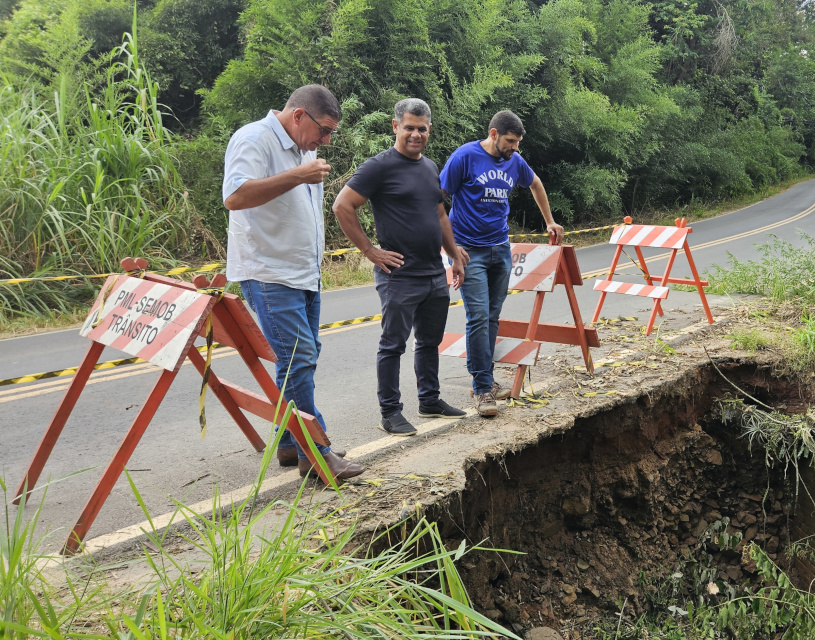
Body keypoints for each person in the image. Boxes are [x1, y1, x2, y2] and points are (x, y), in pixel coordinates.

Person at [222, 84, 365, 480]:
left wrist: (302, 169)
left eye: (331, 133)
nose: (326, 140)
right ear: (299, 115)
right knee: (298, 358)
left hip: (302, 272)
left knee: (301, 356)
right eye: (324, 130)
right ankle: (316, 452)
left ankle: (288, 443)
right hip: (269, 272)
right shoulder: (254, 138)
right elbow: (234, 196)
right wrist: (297, 175)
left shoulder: (305, 148)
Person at [332, 98, 468, 436]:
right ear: (395, 127)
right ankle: (390, 412)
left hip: (433, 272)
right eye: (409, 127)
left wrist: (453, 256)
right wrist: (370, 251)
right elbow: (343, 205)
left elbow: (439, 215)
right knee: (394, 343)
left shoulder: (430, 167)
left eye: (422, 129)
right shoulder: (379, 166)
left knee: (429, 340)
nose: (415, 134)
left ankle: (430, 399)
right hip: (399, 276)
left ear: (429, 130)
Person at [439, 110, 563, 417]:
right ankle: (482, 388)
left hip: (500, 249)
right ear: (494, 134)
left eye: (518, 142)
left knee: (492, 317)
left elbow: (535, 184)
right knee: (479, 316)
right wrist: (450, 249)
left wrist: (549, 220)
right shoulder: (464, 157)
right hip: (469, 251)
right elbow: (437, 199)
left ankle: (485, 378)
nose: (515, 147)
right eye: (510, 141)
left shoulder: (515, 161)